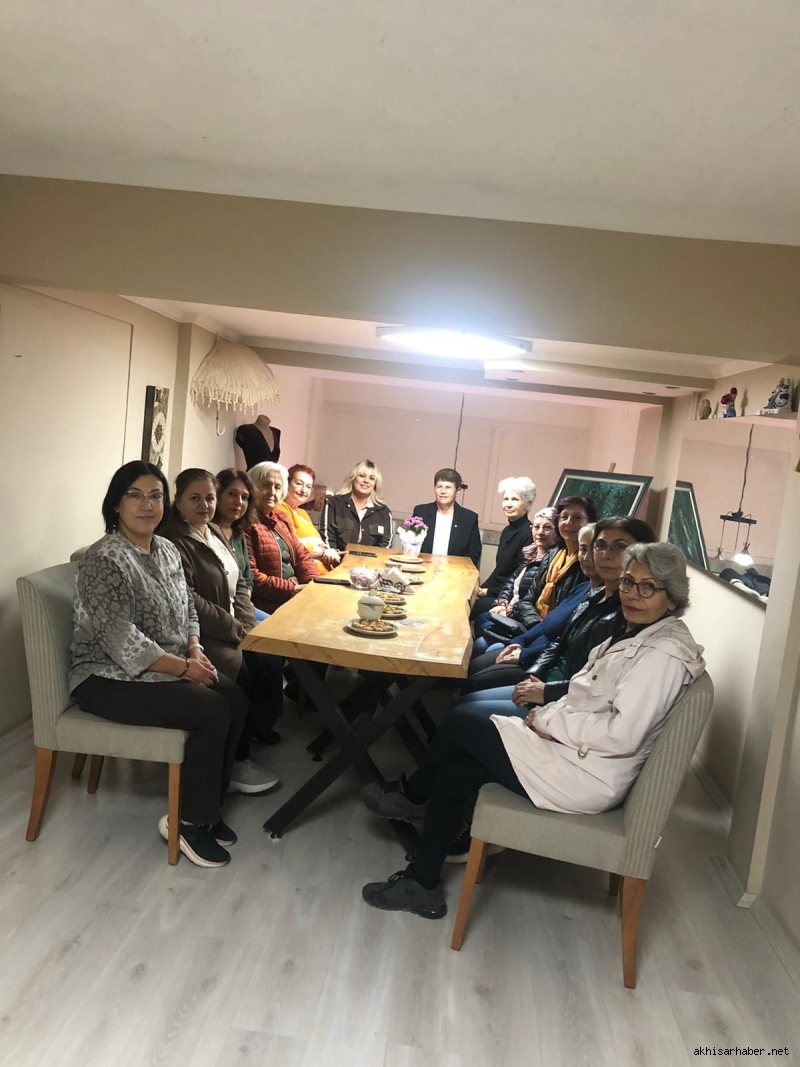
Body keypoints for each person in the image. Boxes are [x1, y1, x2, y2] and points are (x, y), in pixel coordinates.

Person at [360, 542, 705, 917]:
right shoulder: (639, 633)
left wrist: (547, 720)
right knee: (456, 773)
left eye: (648, 587)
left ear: (673, 599)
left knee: (461, 723)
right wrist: (549, 714)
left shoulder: (662, 656)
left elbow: (622, 734)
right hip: (577, 755)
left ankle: (413, 797)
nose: (632, 594)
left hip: (584, 774)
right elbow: (589, 694)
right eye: (628, 582)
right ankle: (423, 882)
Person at [68, 461, 249, 869]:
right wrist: (184, 669)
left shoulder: (166, 549)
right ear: (116, 504)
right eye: (134, 495)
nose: (146, 505)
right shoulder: (105, 559)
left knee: (235, 697)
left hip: (164, 664)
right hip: (105, 676)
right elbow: (120, 640)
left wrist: (195, 648)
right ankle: (189, 823)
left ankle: (207, 809)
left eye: (155, 496)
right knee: (210, 710)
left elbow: (188, 608)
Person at [161, 468, 281, 792]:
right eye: (195, 498)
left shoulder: (212, 531)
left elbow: (239, 582)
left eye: (209, 498)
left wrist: (247, 624)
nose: (204, 505)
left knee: (266, 657)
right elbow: (188, 599)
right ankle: (236, 763)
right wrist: (233, 628)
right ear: (178, 501)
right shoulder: (173, 540)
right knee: (244, 669)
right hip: (198, 635)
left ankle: (245, 743)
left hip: (230, 625)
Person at [461, 515, 657, 702]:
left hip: (564, 697)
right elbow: (558, 641)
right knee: (472, 671)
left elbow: (597, 684)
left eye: (619, 547)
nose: (604, 555)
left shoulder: (629, 611)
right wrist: (529, 661)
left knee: (467, 702)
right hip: (546, 675)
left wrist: (543, 687)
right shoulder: (591, 592)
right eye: (600, 546)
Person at [471, 507, 558, 652]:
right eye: (536, 527)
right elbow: (511, 582)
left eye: (547, 527)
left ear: (557, 532)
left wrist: (508, 610)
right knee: (481, 620)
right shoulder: (531, 552)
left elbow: (528, 601)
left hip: (524, 621)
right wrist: (502, 603)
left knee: (480, 640)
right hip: (513, 610)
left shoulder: (552, 562)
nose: (540, 532)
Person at [509, 496, 597, 631]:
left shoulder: (588, 564)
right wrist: (534, 624)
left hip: (554, 634)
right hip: (533, 625)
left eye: (577, 517)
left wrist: (541, 629)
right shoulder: (552, 554)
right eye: (564, 517)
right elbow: (527, 600)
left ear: (590, 523)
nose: (568, 522)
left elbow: (572, 616)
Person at [246, 461, 319, 613]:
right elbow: (253, 577)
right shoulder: (246, 523)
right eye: (265, 485)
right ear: (251, 487)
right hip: (268, 604)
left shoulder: (281, 518)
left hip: (295, 596)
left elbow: (302, 555)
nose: (272, 492)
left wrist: (312, 583)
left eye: (277, 487)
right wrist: (292, 589)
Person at [470, 477, 536, 619]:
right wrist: (479, 589)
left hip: (510, 598)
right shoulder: (507, 531)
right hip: (498, 591)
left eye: (515, 499)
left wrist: (488, 592)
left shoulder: (529, 534)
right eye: (506, 499)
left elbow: (519, 578)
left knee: (470, 607)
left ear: (527, 504)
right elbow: (499, 570)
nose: (509, 504)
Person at [274, 463, 341, 574]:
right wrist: (323, 553)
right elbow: (289, 545)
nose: (304, 490)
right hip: (308, 573)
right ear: (287, 484)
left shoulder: (303, 513)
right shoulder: (280, 508)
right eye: (299, 484)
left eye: (309, 487)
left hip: (325, 571)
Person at [411, 469, 482, 567]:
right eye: (439, 487)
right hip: (422, 569)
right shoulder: (421, 512)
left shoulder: (469, 519)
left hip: (455, 572)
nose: (443, 491)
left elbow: (473, 554)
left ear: (457, 491)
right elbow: (410, 545)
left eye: (448, 487)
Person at [320, 459, 394, 551]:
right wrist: (336, 556)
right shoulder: (333, 503)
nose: (366, 481)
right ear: (353, 478)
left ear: (375, 484)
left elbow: (386, 545)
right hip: (338, 559)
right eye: (362, 476)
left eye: (371, 478)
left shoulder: (384, 512)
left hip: (372, 560)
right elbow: (327, 538)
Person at [214, 468, 258, 593]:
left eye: (244, 497)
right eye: (232, 494)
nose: (239, 502)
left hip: (242, 601)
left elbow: (248, 578)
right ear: (217, 494)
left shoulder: (238, 533)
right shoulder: (206, 531)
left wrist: (246, 599)